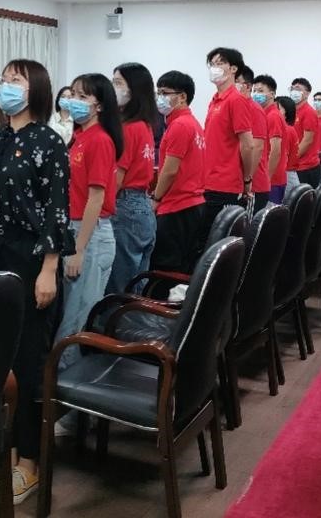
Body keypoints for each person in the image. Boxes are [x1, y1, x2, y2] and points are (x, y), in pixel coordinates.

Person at [0, 59, 71, 505]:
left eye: (15, 81)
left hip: (30, 258)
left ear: (35, 90)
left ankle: (28, 460)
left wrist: (48, 269)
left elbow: (56, 210)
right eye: (4, 79)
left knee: (27, 361)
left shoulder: (50, 142)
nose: (5, 86)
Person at [55, 73, 121, 371]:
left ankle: (66, 391)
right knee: (70, 314)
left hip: (90, 235)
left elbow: (96, 198)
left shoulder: (100, 140)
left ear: (100, 105)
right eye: (73, 94)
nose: (74, 101)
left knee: (75, 321)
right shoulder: (80, 137)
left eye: (83, 96)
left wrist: (79, 249)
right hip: (76, 231)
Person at [107, 63, 157, 295]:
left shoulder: (127, 128)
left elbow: (116, 179)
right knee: (135, 283)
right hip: (141, 206)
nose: (113, 88)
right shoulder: (144, 125)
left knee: (118, 284)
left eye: (118, 83)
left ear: (134, 89)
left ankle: (114, 318)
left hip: (124, 206)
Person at [152, 71, 207, 274]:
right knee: (182, 266)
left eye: (165, 93)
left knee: (166, 268)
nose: (160, 98)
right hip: (192, 204)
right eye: (158, 93)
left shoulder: (180, 125)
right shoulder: (193, 123)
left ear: (182, 96)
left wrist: (156, 198)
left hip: (177, 206)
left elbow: (170, 170)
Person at [203, 47, 256, 225]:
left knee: (217, 235)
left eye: (220, 63)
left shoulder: (236, 99)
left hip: (224, 183)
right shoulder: (215, 99)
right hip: (208, 180)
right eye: (212, 64)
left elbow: (248, 145)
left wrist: (247, 179)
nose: (214, 68)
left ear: (233, 69)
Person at [235, 67, 272, 210]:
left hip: (254, 186)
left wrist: (247, 180)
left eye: (236, 82)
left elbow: (256, 147)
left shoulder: (254, 109)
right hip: (239, 181)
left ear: (247, 86)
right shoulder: (237, 106)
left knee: (246, 224)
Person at [253, 75, 286, 205]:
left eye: (261, 91)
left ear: (272, 94)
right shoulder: (263, 114)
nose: (256, 94)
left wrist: (267, 178)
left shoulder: (273, 116)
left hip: (272, 181)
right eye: (254, 91)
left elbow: (275, 151)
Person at [289, 77, 321, 186]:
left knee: (301, 196)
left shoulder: (309, 112)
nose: (294, 91)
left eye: (298, 89)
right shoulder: (292, 112)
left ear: (307, 93)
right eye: (292, 89)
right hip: (294, 165)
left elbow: (307, 141)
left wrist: (291, 159)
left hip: (306, 167)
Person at [275, 96, 300, 189]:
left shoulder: (286, 130)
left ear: (286, 112)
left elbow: (279, 156)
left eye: (277, 109)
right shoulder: (289, 128)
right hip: (287, 175)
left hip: (285, 176)